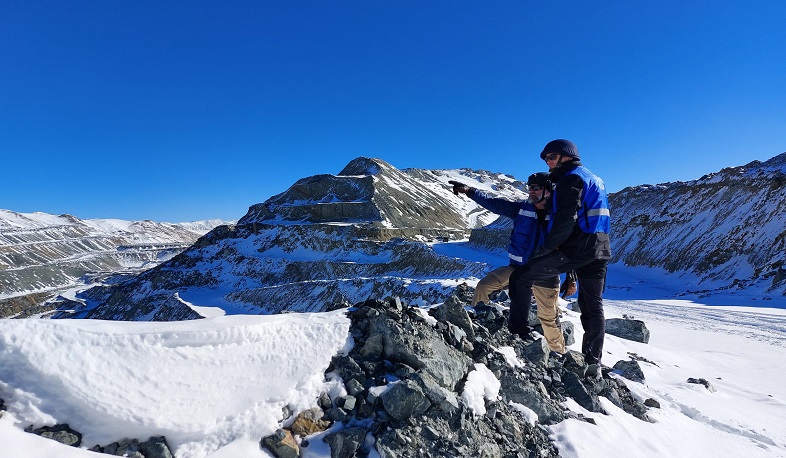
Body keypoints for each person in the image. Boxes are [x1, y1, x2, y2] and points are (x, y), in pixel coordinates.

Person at [508, 139, 611, 375]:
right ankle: (593, 362)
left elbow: (565, 218)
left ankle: (517, 332)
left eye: (552, 158)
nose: (549, 163)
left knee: (522, 277)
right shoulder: (595, 179)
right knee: (592, 305)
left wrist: (547, 247)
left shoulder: (571, 179)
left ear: (567, 156)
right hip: (600, 247)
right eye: (546, 159)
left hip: (579, 248)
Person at [449, 172, 566, 355]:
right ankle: (478, 331)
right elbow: (495, 204)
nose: (531, 191)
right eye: (530, 188)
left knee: (549, 319)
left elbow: (569, 246)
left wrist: (572, 277)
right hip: (517, 269)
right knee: (484, 286)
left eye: (536, 188)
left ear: (549, 191)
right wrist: (470, 191)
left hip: (544, 274)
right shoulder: (521, 209)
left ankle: (559, 355)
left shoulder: (560, 216)